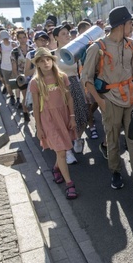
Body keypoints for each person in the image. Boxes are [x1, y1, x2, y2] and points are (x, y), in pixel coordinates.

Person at [81, 6, 133, 191]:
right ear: (120, 25)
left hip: (131, 99)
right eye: (130, 22)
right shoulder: (97, 48)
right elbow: (86, 79)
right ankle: (115, 172)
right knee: (113, 139)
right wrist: (101, 103)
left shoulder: (131, 44)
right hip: (110, 101)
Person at [30, 47, 78, 200]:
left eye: (48, 59)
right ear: (37, 64)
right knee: (61, 151)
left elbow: (69, 98)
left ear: (52, 60)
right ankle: (70, 184)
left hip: (63, 115)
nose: (46, 63)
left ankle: (56, 168)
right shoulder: (35, 82)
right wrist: (38, 127)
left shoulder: (62, 76)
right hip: (48, 118)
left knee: (62, 147)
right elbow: (36, 107)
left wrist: (71, 116)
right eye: (42, 61)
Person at [53, 24, 89, 164]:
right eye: (63, 33)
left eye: (68, 33)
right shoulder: (53, 55)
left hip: (74, 83)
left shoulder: (75, 52)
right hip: (60, 86)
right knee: (64, 118)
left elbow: (78, 72)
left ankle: (78, 138)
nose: (67, 35)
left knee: (82, 115)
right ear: (56, 37)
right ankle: (67, 150)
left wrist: (83, 90)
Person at [11, 29, 33, 121]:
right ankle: (25, 111)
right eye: (20, 38)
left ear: (27, 37)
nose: (23, 40)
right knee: (24, 95)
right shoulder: (15, 52)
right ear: (17, 39)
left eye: (24, 37)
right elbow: (14, 67)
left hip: (32, 76)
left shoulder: (32, 50)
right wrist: (17, 78)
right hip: (22, 77)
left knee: (34, 95)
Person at [0, 30, 19, 106]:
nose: (6, 39)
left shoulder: (13, 44)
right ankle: (12, 96)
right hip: (4, 66)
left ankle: (18, 98)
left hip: (14, 66)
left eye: (6, 37)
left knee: (16, 82)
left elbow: (18, 54)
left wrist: (16, 48)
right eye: (4, 38)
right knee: (7, 84)